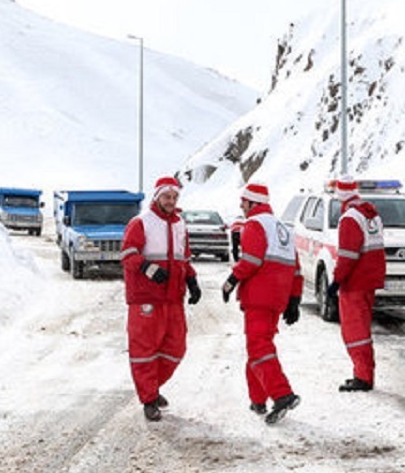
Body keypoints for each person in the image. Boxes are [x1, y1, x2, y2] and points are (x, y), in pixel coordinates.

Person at [120, 175, 203, 422]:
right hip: (146, 298)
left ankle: (153, 388)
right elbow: (127, 254)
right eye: (167, 196)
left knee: (176, 347)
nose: (171, 200)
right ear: (157, 196)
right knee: (144, 350)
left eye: (175, 196)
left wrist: (192, 280)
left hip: (173, 299)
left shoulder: (180, 225)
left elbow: (184, 258)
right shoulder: (141, 222)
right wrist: (148, 268)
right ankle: (149, 399)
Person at [221, 182, 303, 425]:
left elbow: (251, 260)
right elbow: (296, 269)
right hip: (276, 299)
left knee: (258, 347)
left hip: (258, 296)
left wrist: (231, 280)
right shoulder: (283, 228)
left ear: (253, 203)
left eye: (243, 202)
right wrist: (294, 299)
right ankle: (258, 399)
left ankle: (282, 394)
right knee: (259, 346)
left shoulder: (254, 225)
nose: (241, 206)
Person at [325, 176, 385, 392]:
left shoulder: (350, 218)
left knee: (354, 331)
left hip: (354, 283)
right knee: (362, 328)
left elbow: (347, 255)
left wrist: (336, 281)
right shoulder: (371, 215)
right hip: (369, 280)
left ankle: (363, 376)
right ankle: (364, 373)